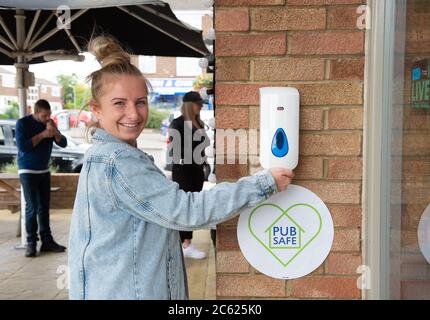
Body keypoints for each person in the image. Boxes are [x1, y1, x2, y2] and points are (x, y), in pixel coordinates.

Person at [68, 36, 294, 300]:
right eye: (119, 103)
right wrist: (263, 184)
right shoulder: (117, 161)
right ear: (96, 109)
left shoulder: (104, 155)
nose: (134, 113)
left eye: (140, 102)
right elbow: (186, 211)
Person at [15, 99, 68, 257]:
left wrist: (55, 132)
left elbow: (63, 143)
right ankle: (31, 243)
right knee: (31, 207)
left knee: (44, 208)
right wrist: (44, 134)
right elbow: (23, 146)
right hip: (27, 170)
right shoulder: (23, 123)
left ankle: (47, 241)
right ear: (35, 112)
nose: (47, 118)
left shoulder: (49, 123)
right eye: (44, 116)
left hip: (44, 170)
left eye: (49, 115)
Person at [169, 91, 210, 259]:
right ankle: (184, 243)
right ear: (188, 105)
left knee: (193, 206)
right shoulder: (177, 124)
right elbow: (176, 151)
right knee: (185, 206)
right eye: (197, 103)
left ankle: (187, 242)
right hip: (183, 171)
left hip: (196, 170)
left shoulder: (198, 123)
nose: (200, 106)